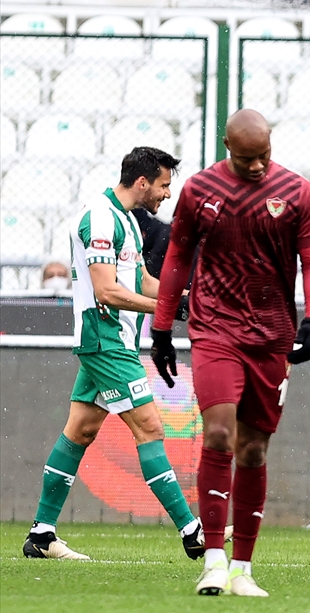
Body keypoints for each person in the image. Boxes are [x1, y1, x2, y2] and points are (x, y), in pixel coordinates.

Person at [150, 109, 310, 598]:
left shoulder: (297, 192)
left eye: (263, 156)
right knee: (219, 433)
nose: (256, 166)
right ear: (228, 146)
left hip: (272, 335)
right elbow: (178, 257)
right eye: (246, 158)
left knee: (253, 448)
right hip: (215, 329)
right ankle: (213, 561)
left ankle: (243, 569)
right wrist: (162, 327)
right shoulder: (199, 190)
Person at [23, 147, 203, 561]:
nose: (166, 195)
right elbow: (106, 291)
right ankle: (192, 531)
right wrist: (168, 309)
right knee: (150, 428)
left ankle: (42, 534)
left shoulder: (126, 221)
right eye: (163, 186)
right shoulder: (99, 218)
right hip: (105, 339)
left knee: (80, 431)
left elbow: (142, 281)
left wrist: (191, 297)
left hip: (116, 341)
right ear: (142, 182)